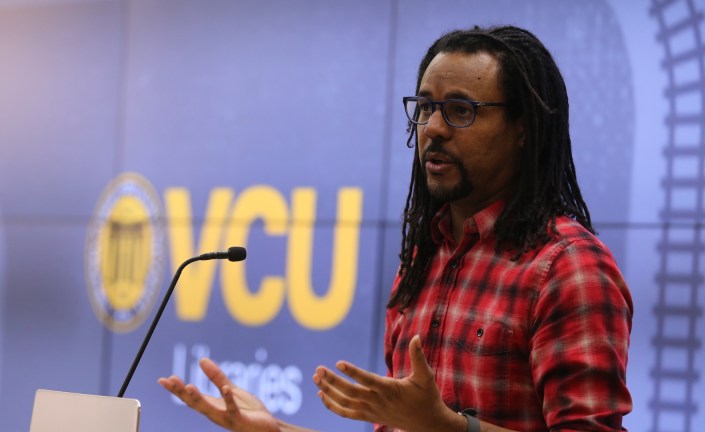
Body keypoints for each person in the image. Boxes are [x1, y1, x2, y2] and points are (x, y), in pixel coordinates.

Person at [158, 25, 633, 432]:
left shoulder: (567, 268)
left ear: (523, 128)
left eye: (461, 110)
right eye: (425, 107)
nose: (433, 128)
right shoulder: (424, 259)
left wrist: (450, 426)